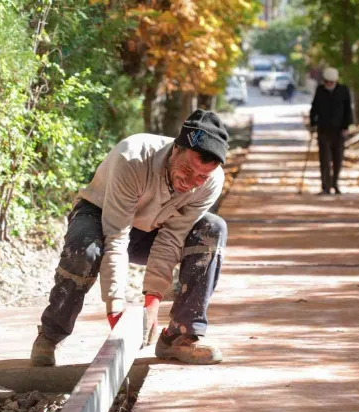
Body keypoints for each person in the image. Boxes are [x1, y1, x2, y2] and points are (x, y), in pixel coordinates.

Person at [30, 110, 229, 366]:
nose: (190, 182)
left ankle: (180, 337)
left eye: (201, 177)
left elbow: (170, 238)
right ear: (175, 149)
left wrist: (152, 303)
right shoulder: (133, 157)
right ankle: (50, 335)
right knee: (85, 250)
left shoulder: (211, 183)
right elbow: (116, 237)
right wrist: (115, 306)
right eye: (186, 169)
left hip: (154, 227)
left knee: (213, 228)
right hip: (102, 215)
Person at [309, 67, 353, 195]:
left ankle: (335, 183)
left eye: (331, 82)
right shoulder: (320, 91)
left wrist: (346, 127)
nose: (329, 84)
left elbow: (348, 111)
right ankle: (325, 186)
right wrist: (312, 123)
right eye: (327, 82)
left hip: (339, 131)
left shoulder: (343, 91)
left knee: (338, 159)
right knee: (324, 159)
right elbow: (314, 107)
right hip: (323, 129)